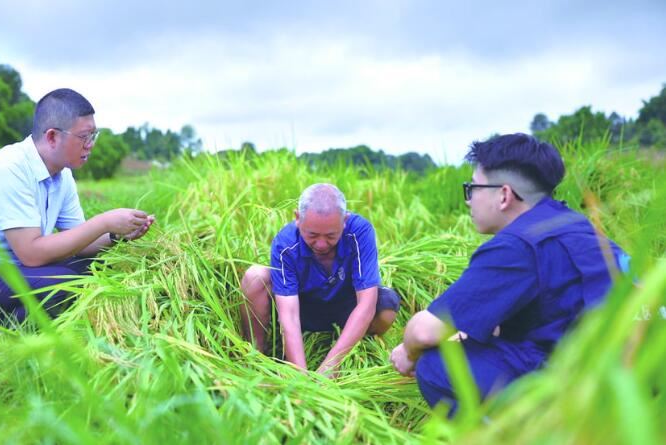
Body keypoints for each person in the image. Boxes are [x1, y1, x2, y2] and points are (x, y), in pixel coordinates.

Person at [390, 133, 628, 412]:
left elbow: (424, 331)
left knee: (436, 366)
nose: (469, 201)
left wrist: (407, 353)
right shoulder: (574, 223)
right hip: (631, 366)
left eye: (473, 188)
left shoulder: (517, 246)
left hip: (588, 383)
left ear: (503, 195)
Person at [0, 88, 155, 323]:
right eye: (84, 137)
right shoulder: (9, 167)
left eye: (94, 135)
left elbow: (80, 243)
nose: (90, 145)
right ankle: (23, 320)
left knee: (98, 267)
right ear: (52, 136)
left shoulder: (63, 177)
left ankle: (27, 317)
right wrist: (103, 221)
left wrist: (116, 235)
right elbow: (32, 254)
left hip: (2, 274)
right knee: (66, 283)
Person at [240, 183, 400, 376]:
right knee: (254, 277)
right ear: (297, 219)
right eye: (312, 235)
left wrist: (329, 368)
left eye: (331, 236)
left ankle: (355, 344)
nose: (322, 244)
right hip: (304, 308)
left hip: (345, 307)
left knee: (387, 307)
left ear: (344, 221)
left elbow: (366, 304)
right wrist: (302, 377)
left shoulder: (359, 232)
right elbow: (289, 315)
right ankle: (257, 356)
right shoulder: (285, 243)